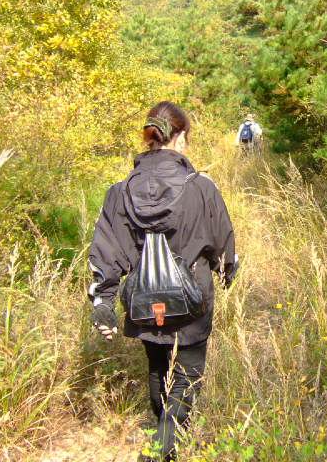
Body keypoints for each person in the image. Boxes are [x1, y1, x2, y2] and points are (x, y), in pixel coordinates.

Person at [87, 101, 237, 461]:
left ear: (150, 136)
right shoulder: (201, 187)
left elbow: (107, 250)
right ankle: (158, 452)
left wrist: (103, 301)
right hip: (192, 298)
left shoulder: (120, 191)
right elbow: (223, 243)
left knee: (158, 368)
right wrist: (227, 271)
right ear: (180, 137)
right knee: (187, 376)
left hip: (144, 300)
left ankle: (163, 441)